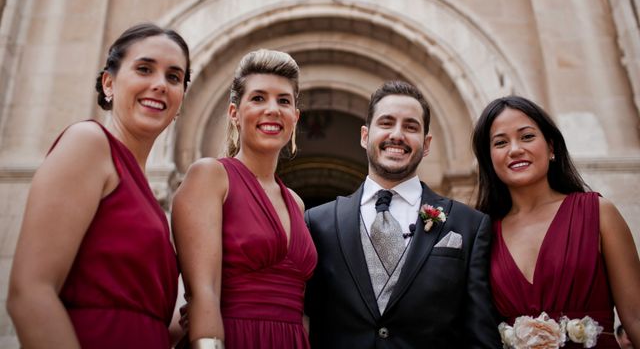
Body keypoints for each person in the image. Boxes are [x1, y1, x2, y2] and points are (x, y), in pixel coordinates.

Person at [7, 23, 191, 348]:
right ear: (109, 82)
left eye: (174, 77)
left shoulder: (152, 203)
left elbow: (147, 319)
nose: (160, 85)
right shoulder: (89, 143)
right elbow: (30, 293)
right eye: (145, 69)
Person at [304, 80, 501, 348]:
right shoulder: (317, 222)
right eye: (386, 123)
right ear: (365, 136)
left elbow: (480, 334)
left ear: (426, 143)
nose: (397, 134)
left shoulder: (469, 225)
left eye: (410, 126)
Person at [172, 49, 317, 349]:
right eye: (258, 98)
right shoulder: (211, 176)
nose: (273, 109)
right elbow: (203, 294)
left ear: (295, 117)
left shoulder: (296, 202)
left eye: (284, 101)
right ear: (234, 113)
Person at [472, 95, 640, 348]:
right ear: (489, 159)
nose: (515, 149)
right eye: (500, 142)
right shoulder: (483, 232)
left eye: (527, 136)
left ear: (551, 148)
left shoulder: (598, 212)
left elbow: (636, 317)